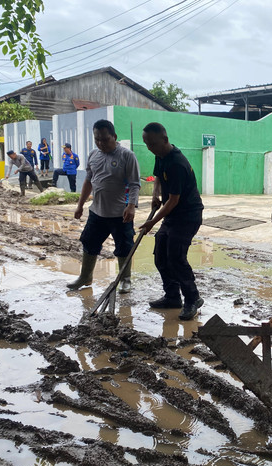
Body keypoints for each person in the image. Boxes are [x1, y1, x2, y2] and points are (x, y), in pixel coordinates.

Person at [139, 122, 204, 321]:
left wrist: (152, 222)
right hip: (173, 215)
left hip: (187, 216)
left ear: (165, 140)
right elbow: (157, 175)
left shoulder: (177, 163)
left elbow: (174, 200)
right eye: (146, 144)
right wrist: (155, 195)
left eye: (152, 144)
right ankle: (172, 297)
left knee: (176, 257)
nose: (149, 147)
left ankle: (192, 298)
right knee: (160, 254)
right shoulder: (161, 155)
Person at [68, 119, 140, 294]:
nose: (101, 143)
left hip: (120, 213)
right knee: (89, 242)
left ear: (114, 137)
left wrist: (131, 206)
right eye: (97, 139)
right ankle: (85, 277)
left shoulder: (126, 156)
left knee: (124, 247)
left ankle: (125, 280)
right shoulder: (93, 155)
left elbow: (134, 184)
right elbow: (88, 181)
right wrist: (80, 205)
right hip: (97, 212)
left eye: (105, 139)